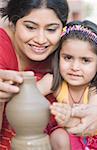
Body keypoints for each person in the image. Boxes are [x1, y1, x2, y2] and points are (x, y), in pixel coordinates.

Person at [0, 0, 69, 149]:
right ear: (13, 22)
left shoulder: (67, 52)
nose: (41, 40)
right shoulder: (2, 47)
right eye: (30, 27)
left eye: (51, 29)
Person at [37, 20, 97, 150]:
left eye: (85, 60)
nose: (75, 67)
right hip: (72, 140)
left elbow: (88, 121)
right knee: (58, 136)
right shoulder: (54, 81)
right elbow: (27, 95)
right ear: (58, 57)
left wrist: (68, 118)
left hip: (94, 141)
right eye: (68, 58)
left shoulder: (95, 90)